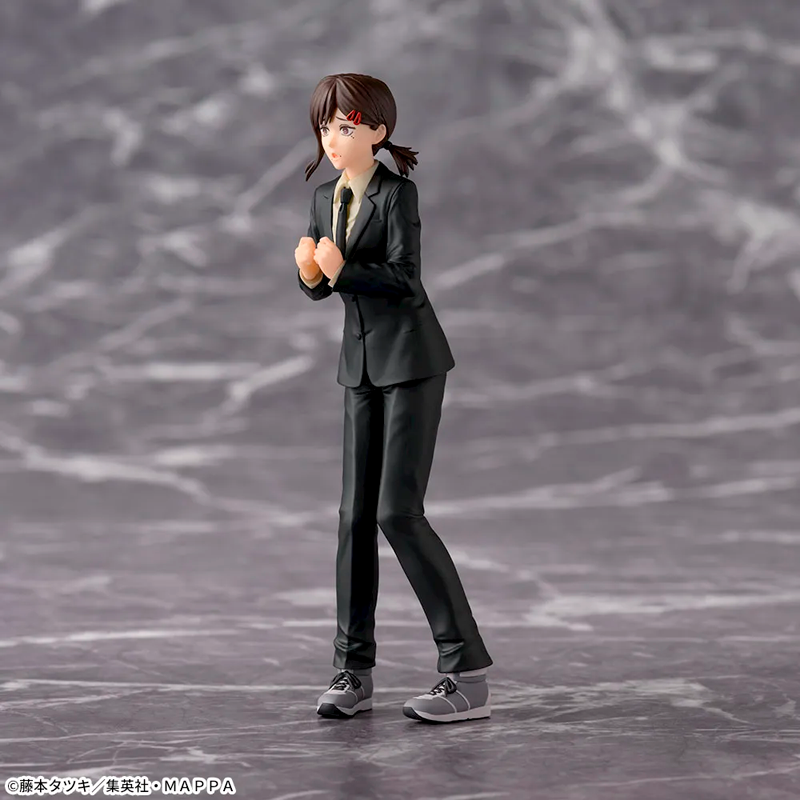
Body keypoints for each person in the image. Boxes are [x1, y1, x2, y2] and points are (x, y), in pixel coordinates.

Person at [294, 73, 493, 724]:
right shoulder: (324, 197)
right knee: (353, 517)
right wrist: (311, 275)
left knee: (397, 512)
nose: (332, 139)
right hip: (359, 366)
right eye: (324, 127)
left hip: (410, 362)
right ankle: (352, 669)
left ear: (378, 131)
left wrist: (341, 269)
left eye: (345, 127)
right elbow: (326, 285)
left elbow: (406, 280)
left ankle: (466, 672)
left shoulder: (397, 194)